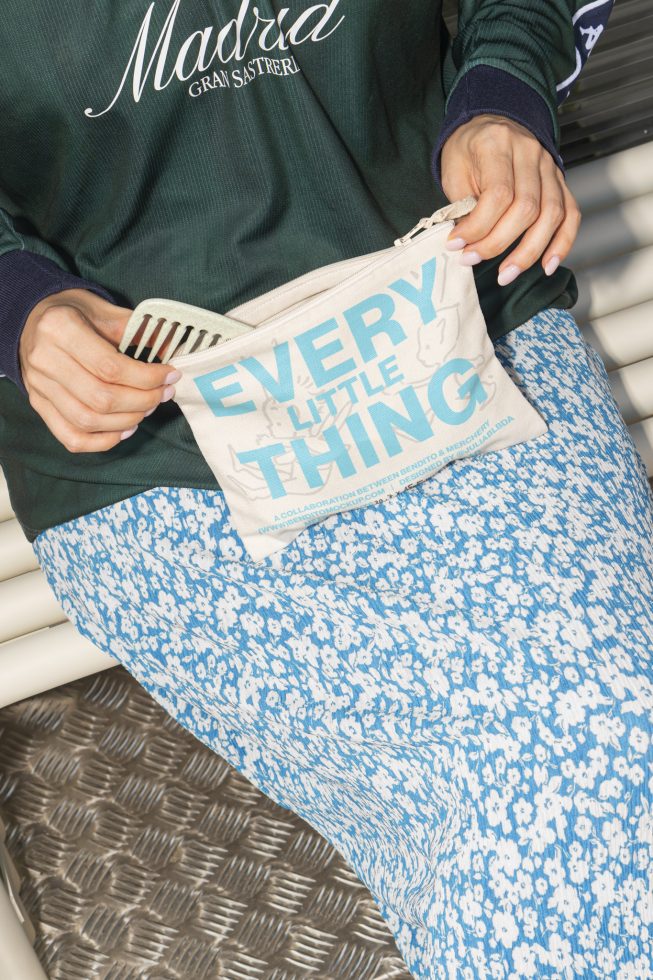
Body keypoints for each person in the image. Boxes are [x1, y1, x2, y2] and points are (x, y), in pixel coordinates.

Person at [2, 1, 652, 976]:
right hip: (159, 440)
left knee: (617, 724)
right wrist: (16, 302)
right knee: (534, 770)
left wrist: (500, 100)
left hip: (461, 321)